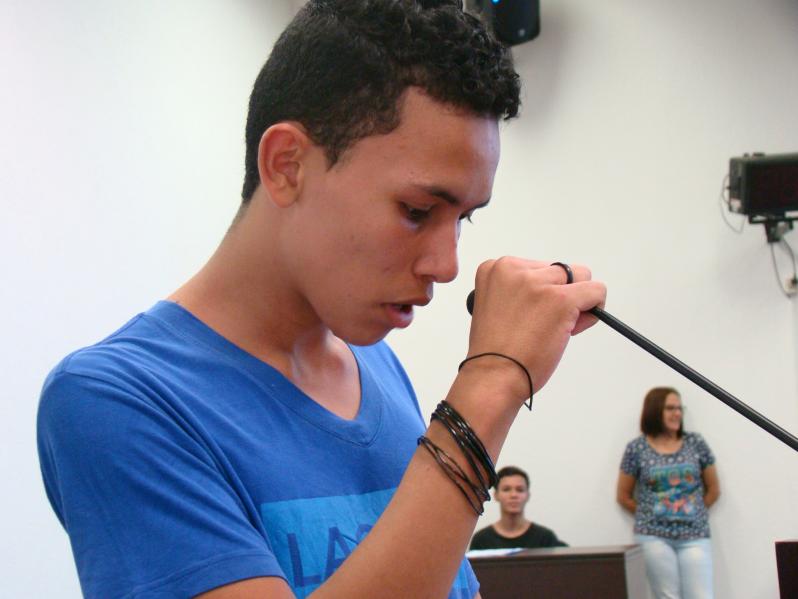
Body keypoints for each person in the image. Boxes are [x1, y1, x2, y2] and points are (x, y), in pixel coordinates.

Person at [37, 1, 607, 597]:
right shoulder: (116, 399)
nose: (447, 266)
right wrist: (491, 384)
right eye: (417, 211)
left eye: (463, 218)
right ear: (287, 166)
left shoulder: (375, 366)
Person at [616, 387, 720, 599]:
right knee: (666, 596)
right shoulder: (636, 448)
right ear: (655, 411)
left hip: (695, 535)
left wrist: (694, 511)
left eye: (680, 408)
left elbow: (714, 489)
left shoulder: (695, 443)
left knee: (701, 595)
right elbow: (623, 496)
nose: (677, 413)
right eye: (670, 408)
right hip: (653, 537)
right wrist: (650, 514)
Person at [469, 465, 567, 550]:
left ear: (527, 495)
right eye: (506, 489)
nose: (513, 495)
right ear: (496, 495)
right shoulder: (481, 540)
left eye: (520, 490)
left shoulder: (545, 538)